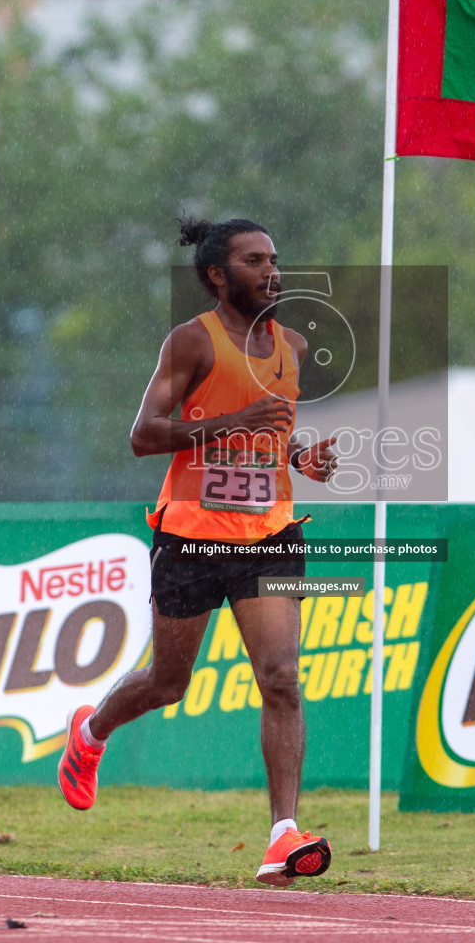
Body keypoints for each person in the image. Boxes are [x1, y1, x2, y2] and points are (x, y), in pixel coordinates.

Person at [58, 216, 340, 887]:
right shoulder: (191, 342)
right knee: (168, 683)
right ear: (218, 275)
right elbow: (144, 435)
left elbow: (275, 437)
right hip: (190, 535)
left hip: (269, 534)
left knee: (281, 679)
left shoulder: (292, 346)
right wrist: (231, 423)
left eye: (274, 258)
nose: (273, 271)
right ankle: (91, 732)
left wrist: (305, 458)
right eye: (254, 261)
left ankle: (282, 835)